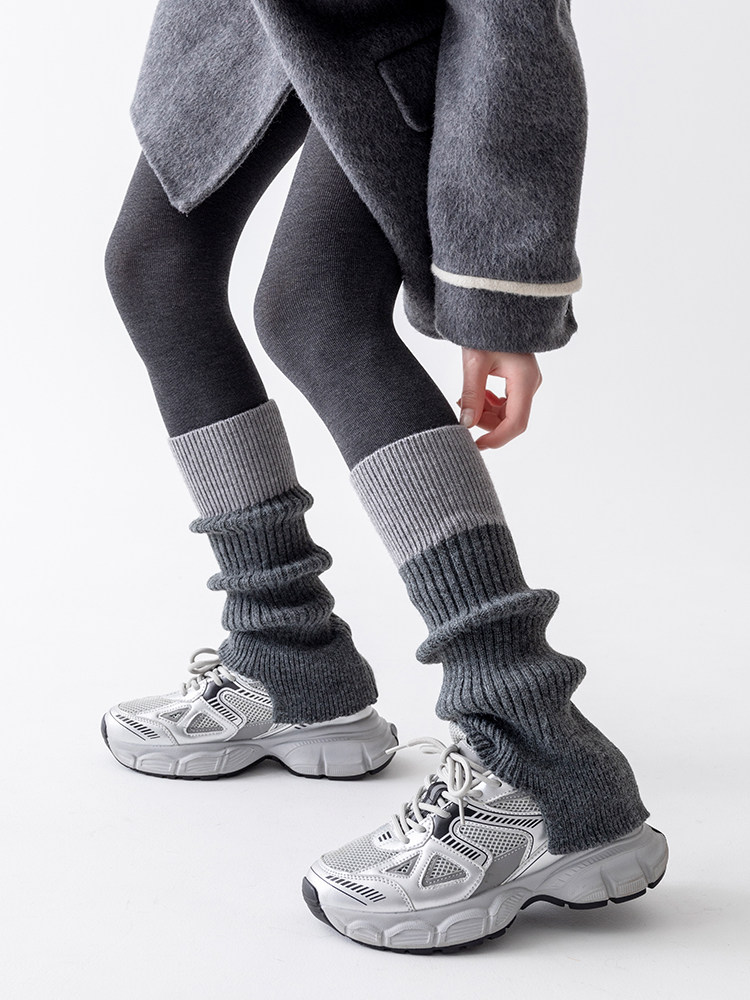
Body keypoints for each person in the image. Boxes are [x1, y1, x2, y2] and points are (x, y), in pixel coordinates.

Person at [101, 1, 668, 952]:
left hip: (395, 28)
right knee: (154, 266)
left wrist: (500, 295)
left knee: (315, 313)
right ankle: (286, 649)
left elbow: (518, 21)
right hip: (254, 18)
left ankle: (535, 746)